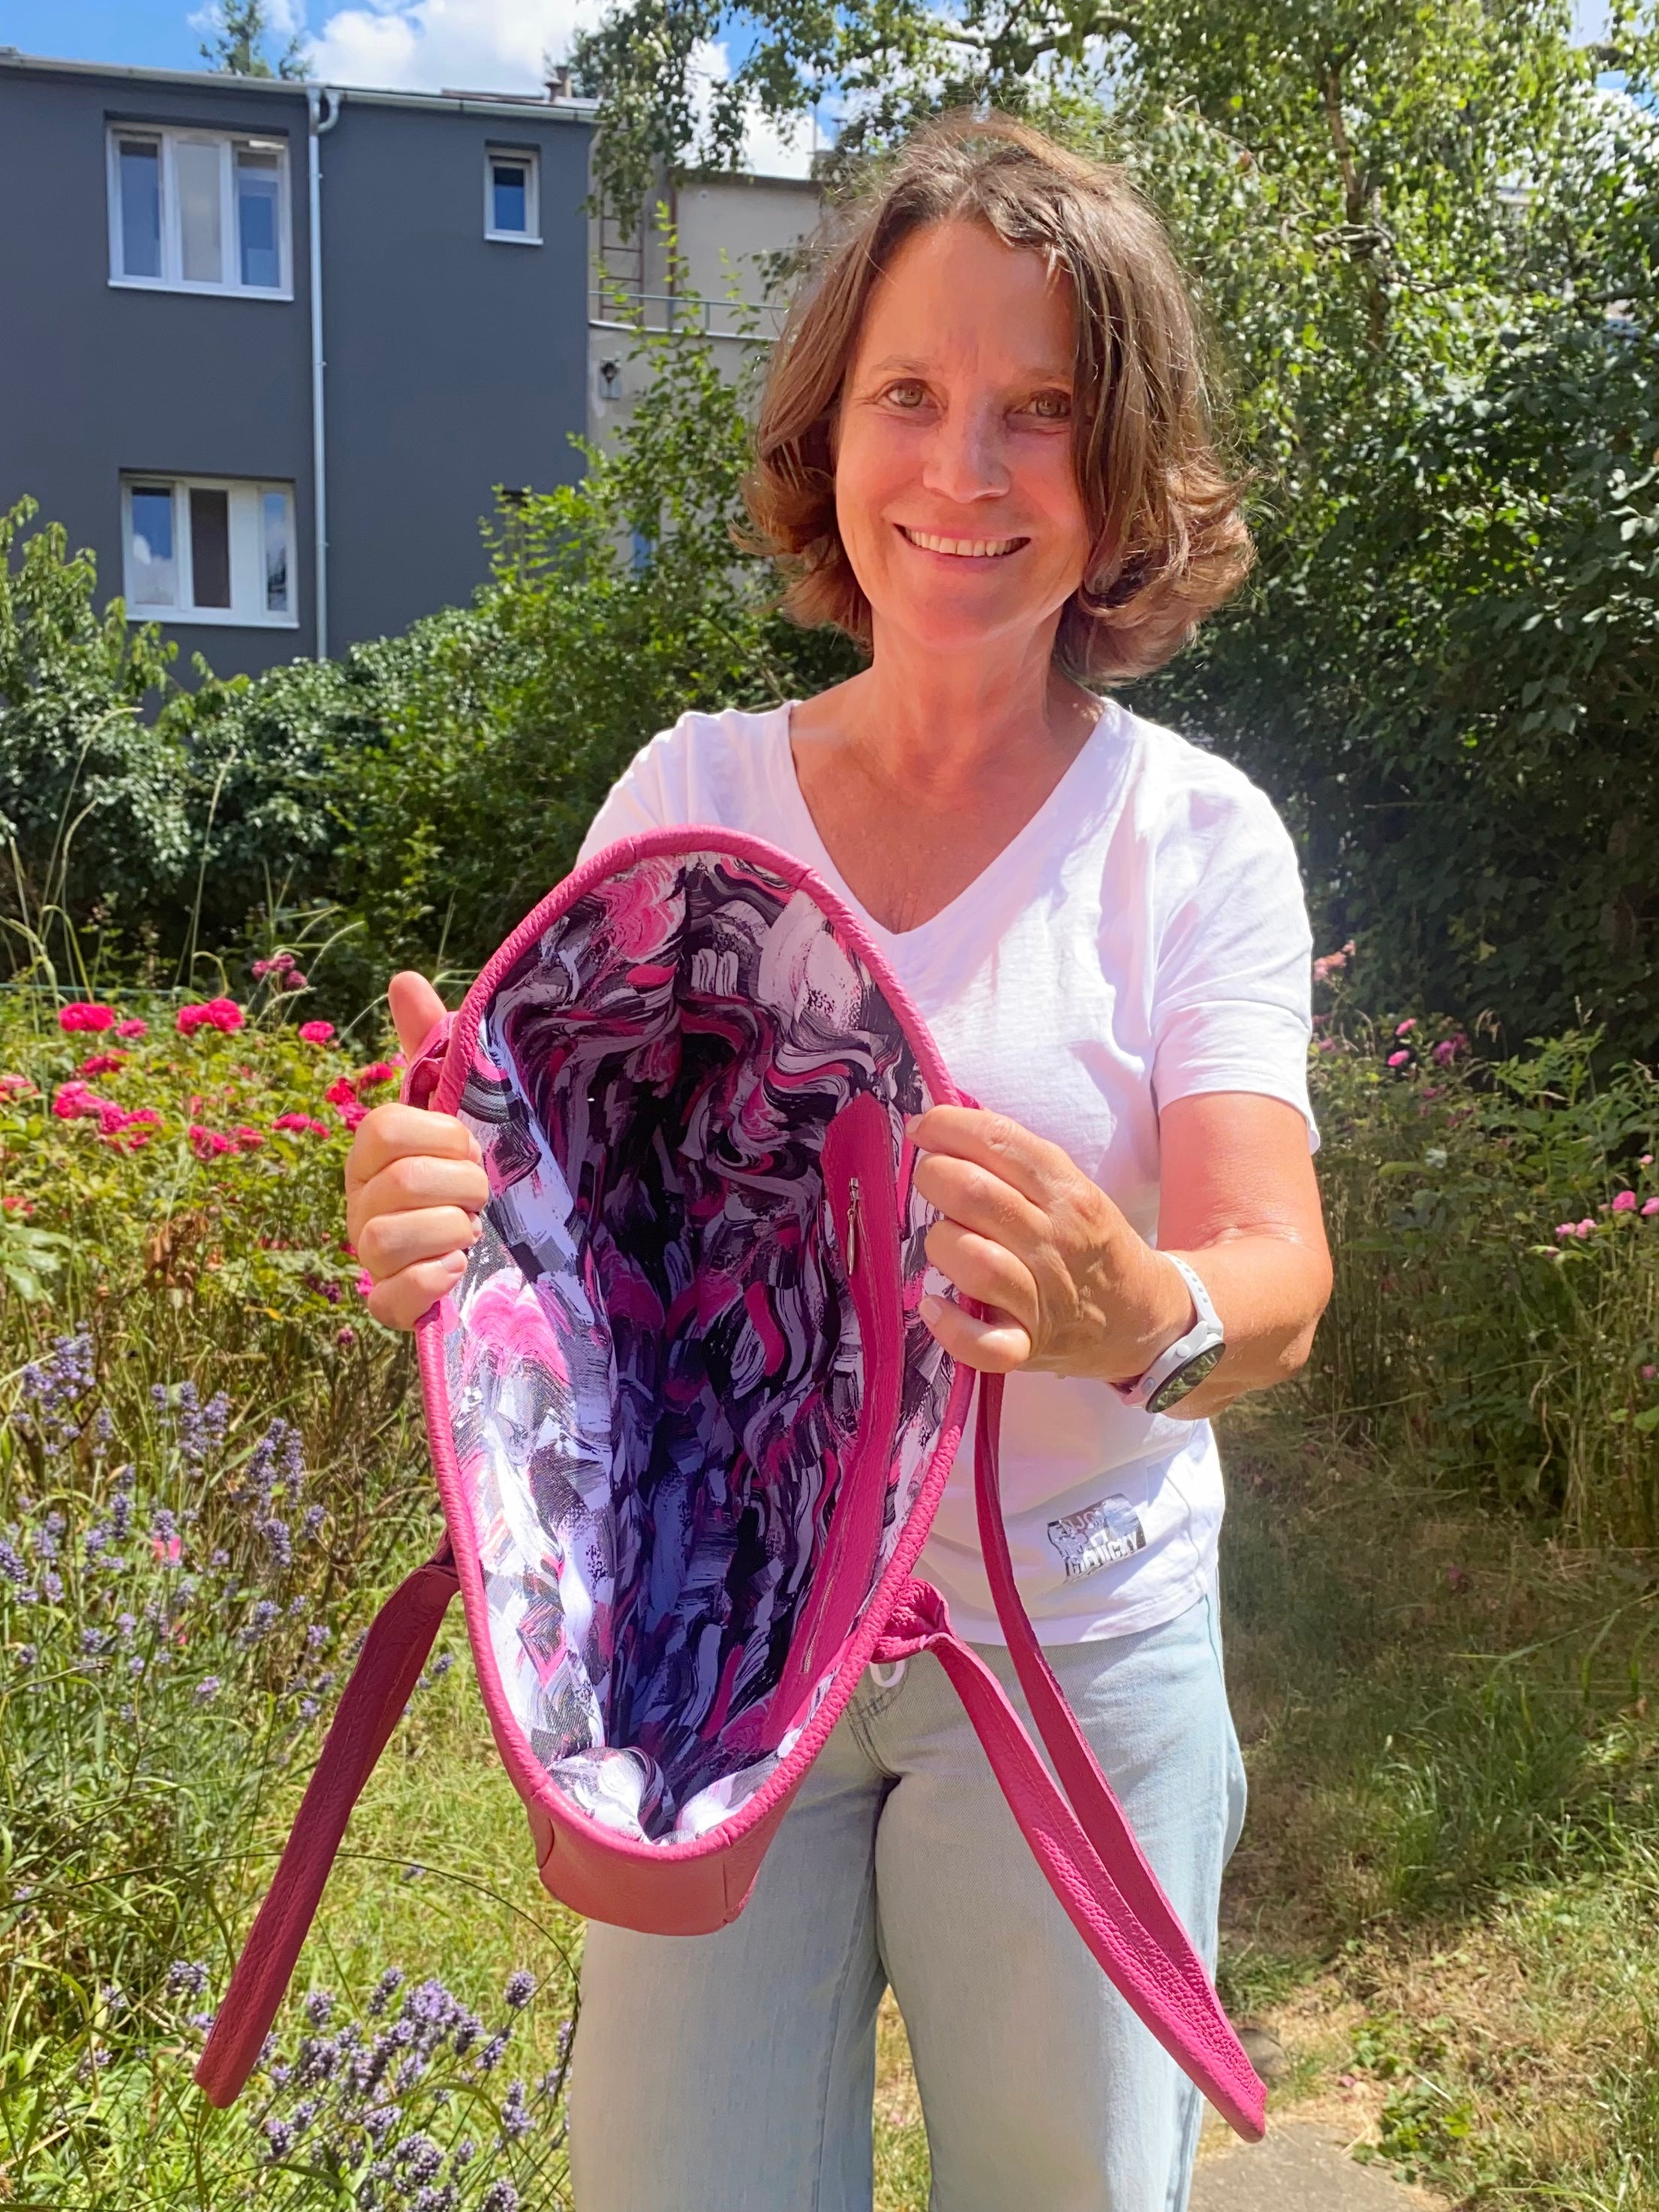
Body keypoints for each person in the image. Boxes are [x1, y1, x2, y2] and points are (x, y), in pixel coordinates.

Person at [346, 114, 1331, 2212]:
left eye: (1039, 413)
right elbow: (560, 1243)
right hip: (710, 1652)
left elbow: (1277, 1270)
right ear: (830, 433)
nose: (964, 472)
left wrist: (1134, 1308)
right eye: (912, 396)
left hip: (1071, 1671)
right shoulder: (685, 794)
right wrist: (438, 1227)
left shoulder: (1193, 842)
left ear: (1124, 467)